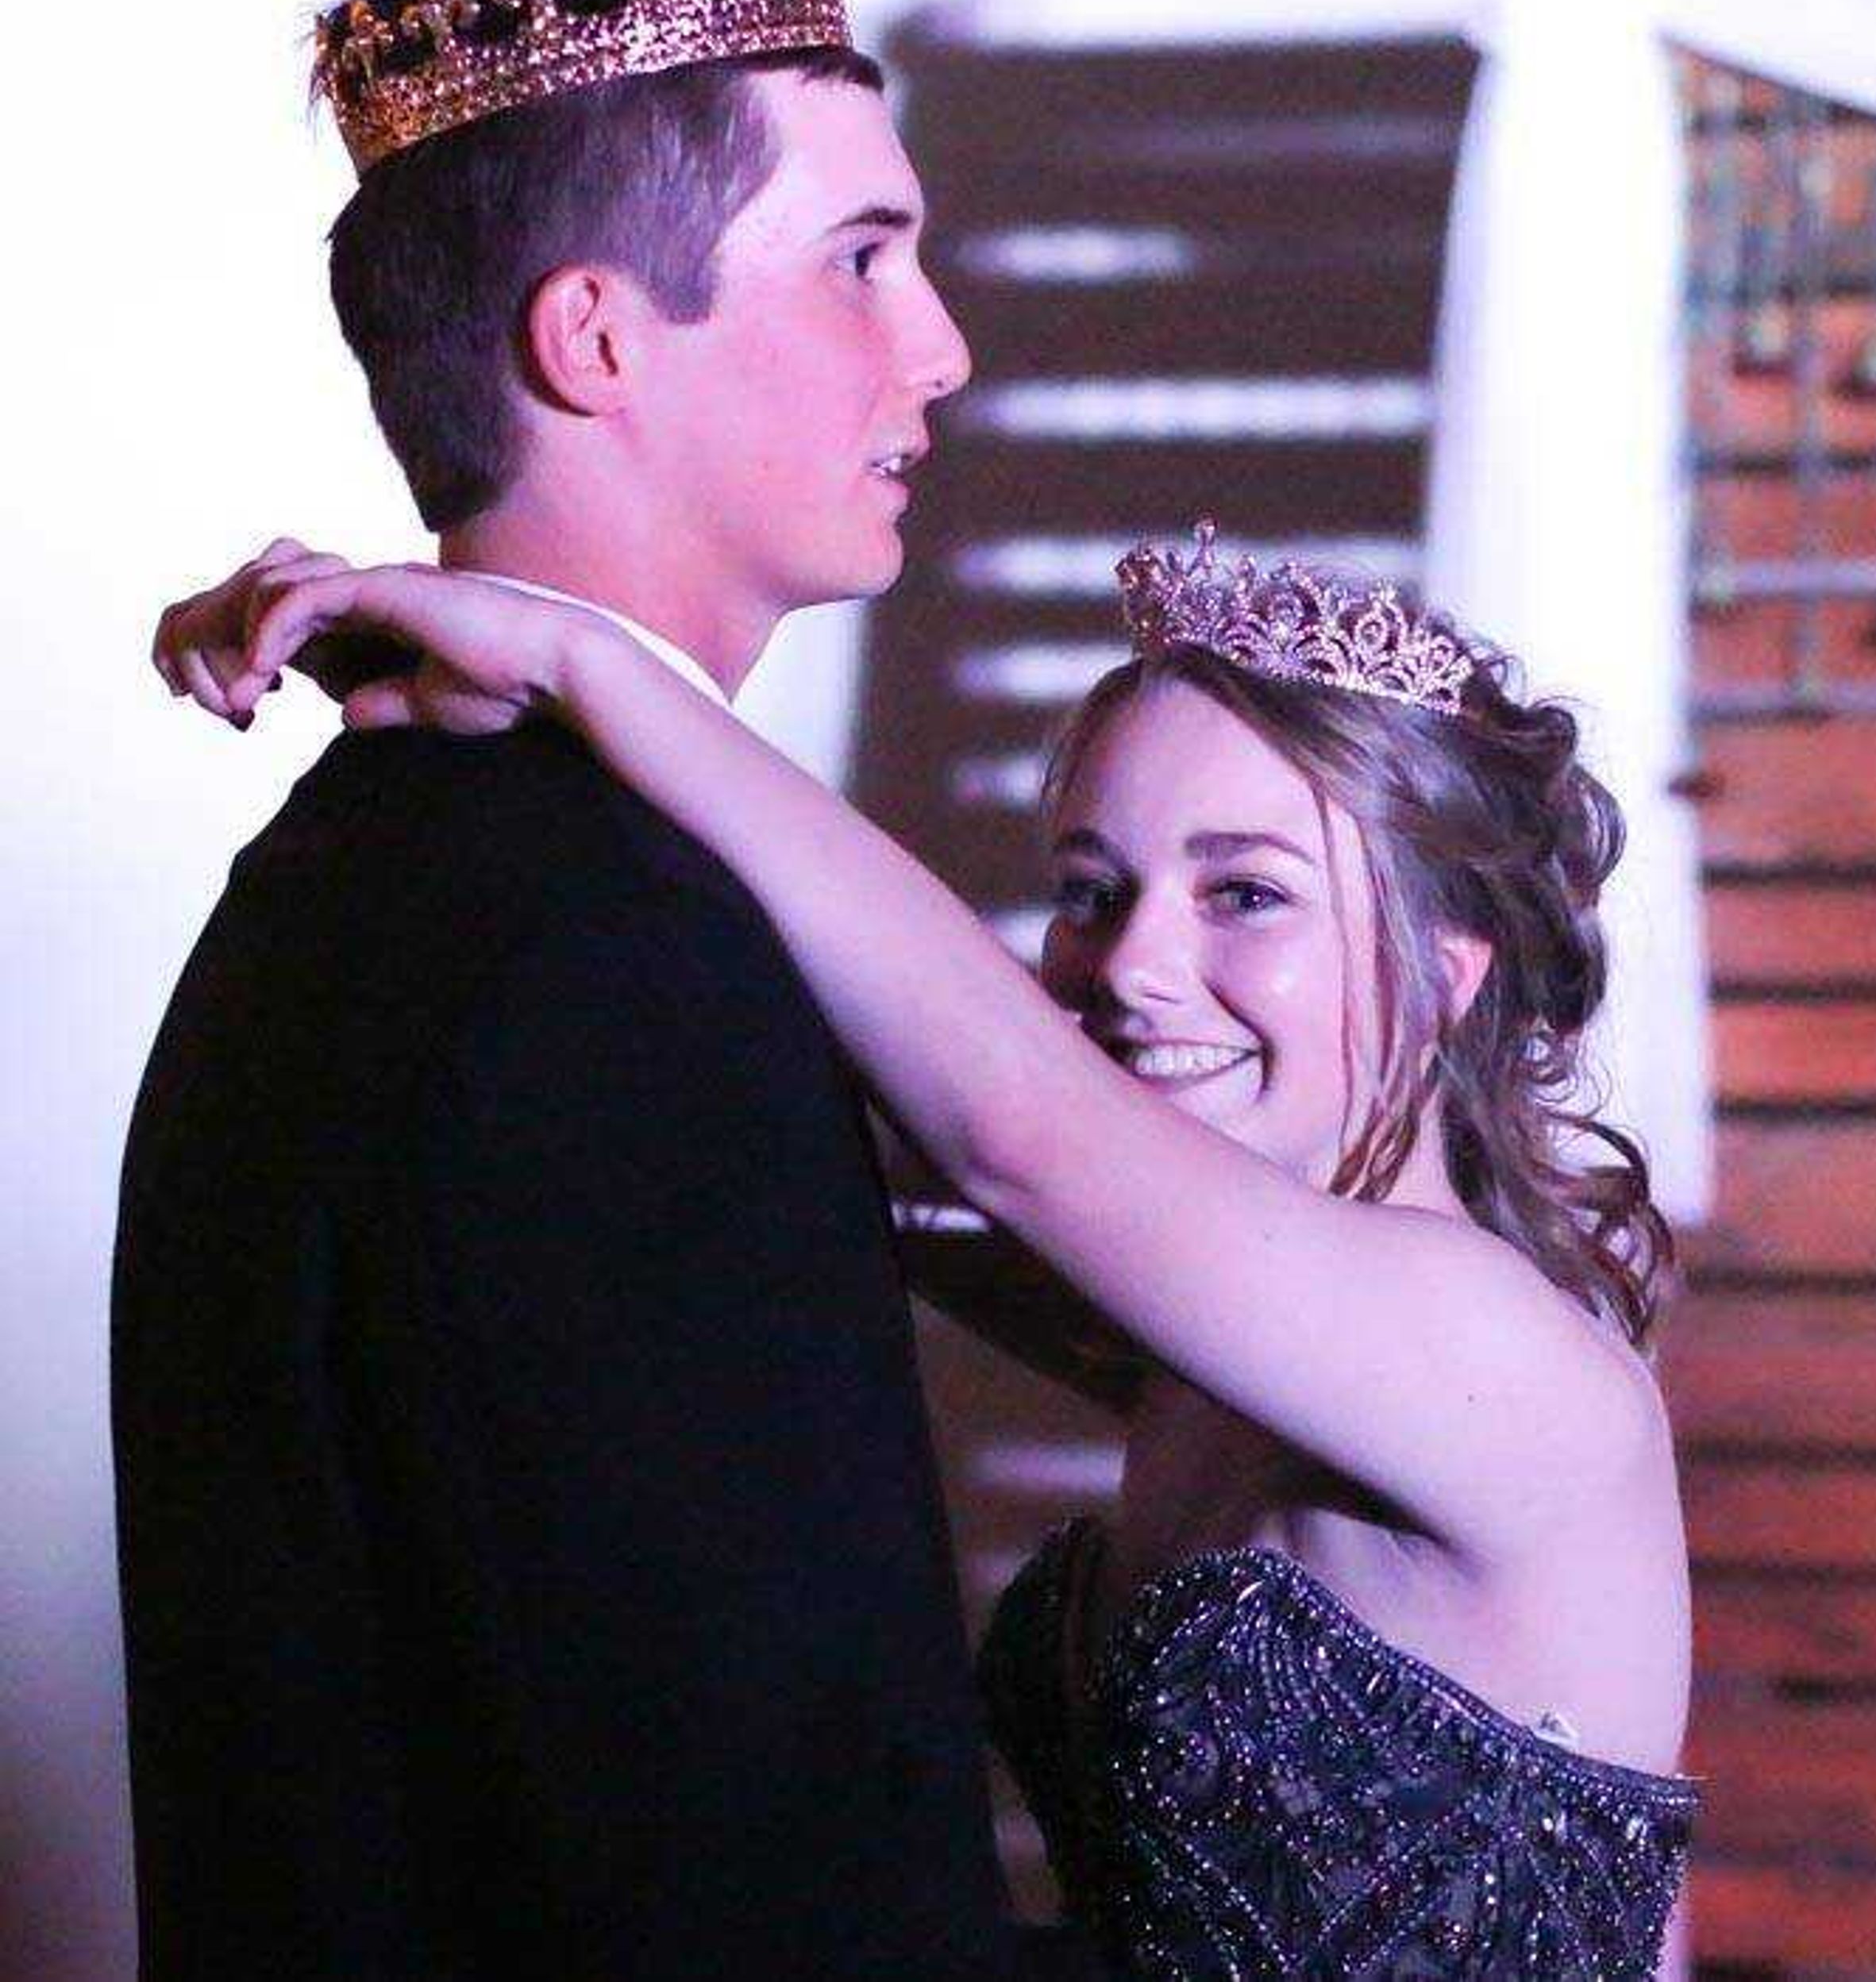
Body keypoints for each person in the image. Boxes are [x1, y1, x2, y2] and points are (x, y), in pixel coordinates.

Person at [156, 528, 1703, 1976]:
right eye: (1094, 892)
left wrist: (584, 662)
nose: (1134, 966)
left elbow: (1011, 1129)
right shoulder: (1221, 1341)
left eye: (1245, 894)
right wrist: (513, 778)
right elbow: (786, 1103)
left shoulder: (1487, 1346)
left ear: (1447, 973)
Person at [113, 0, 1054, 1979]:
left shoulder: (376, 873)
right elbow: (758, 1875)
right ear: (603, 336)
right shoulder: (605, 958)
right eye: (862, 258)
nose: (944, 346)